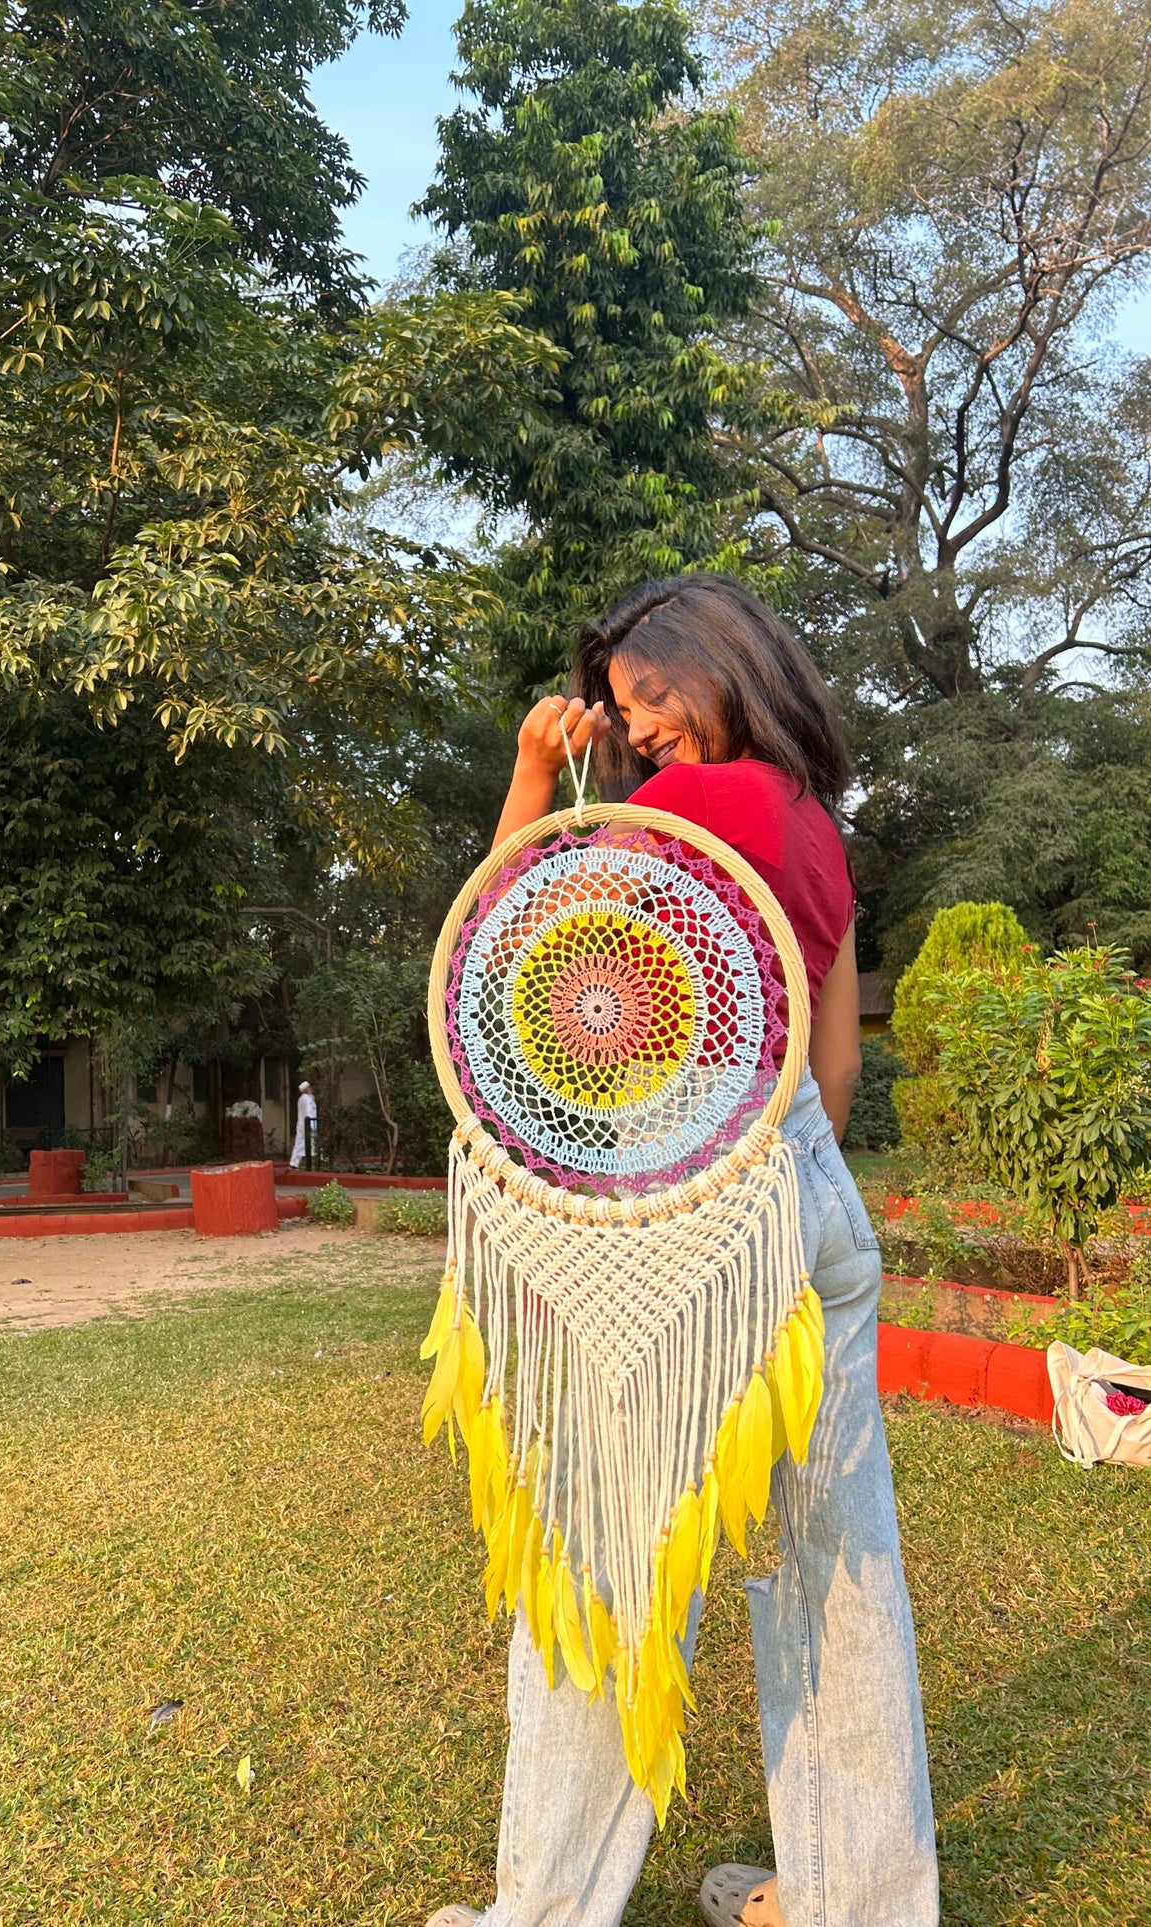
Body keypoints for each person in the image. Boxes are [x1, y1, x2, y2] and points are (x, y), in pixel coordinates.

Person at [427, 576, 937, 1927]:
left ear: (723, 665)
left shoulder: (687, 814)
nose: (637, 720)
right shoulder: (813, 826)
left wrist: (538, 770)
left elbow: (507, 955)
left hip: (695, 1204)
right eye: (619, 703)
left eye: (653, 690)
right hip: (813, 1198)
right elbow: (831, 1066)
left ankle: (542, 1910)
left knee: (603, 1560)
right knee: (831, 1575)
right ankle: (858, 1901)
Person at [289, 1080, 317, 1169]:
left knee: (303, 1143)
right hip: (307, 1124)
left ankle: (295, 1162)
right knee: (303, 1143)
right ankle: (294, 1163)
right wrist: (311, 1125)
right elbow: (309, 1112)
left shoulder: (304, 1098)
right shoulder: (306, 1099)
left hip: (303, 1124)